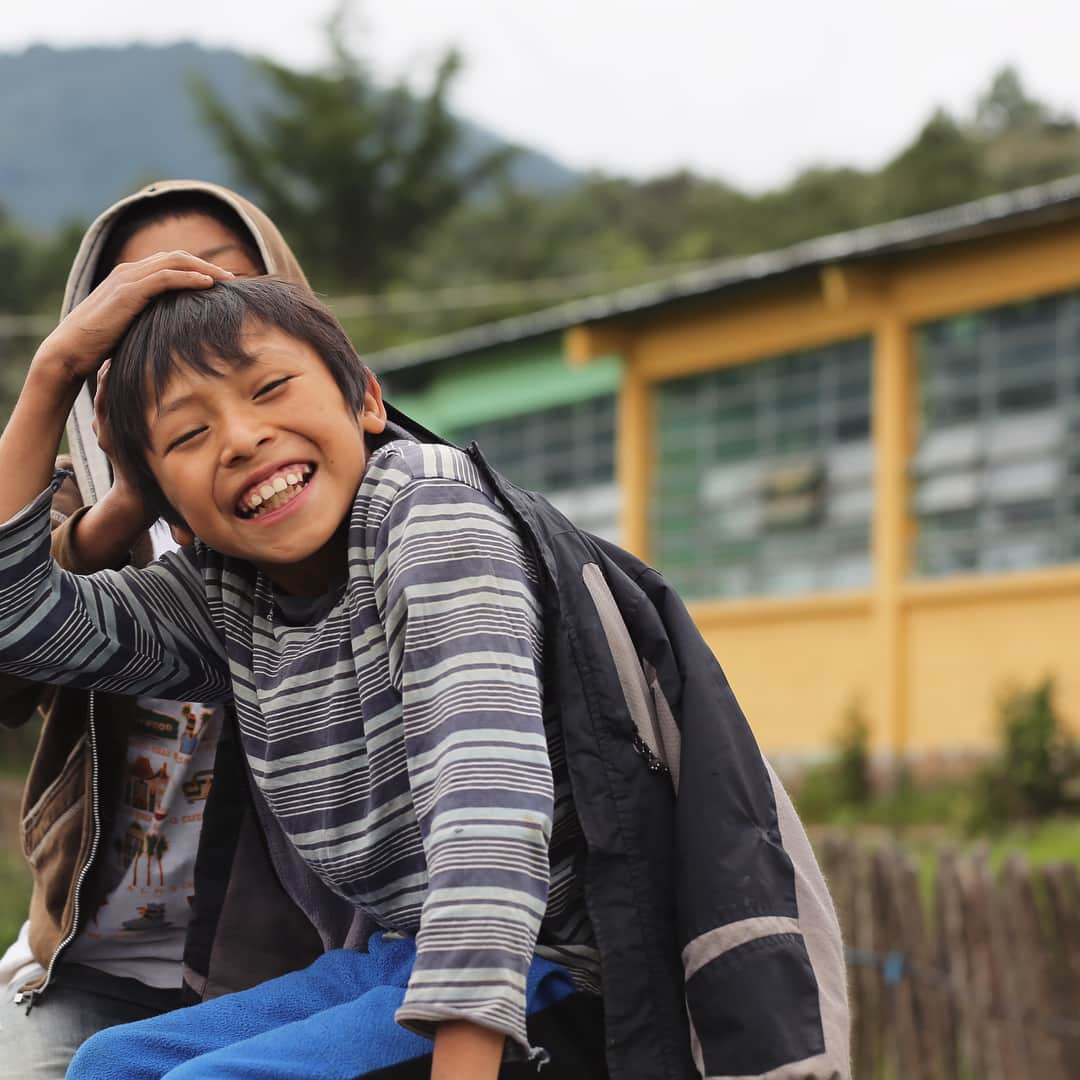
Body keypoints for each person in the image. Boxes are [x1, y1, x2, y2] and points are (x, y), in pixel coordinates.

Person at [0, 274, 849, 1078]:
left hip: (544, 967)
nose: (242, 437)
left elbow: (488, 810)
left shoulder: (428, 513)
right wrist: (55, 372)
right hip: (397, 959)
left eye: (269, 390)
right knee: (110, 1064)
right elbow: (18, 619)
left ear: (365, 399)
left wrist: (465, 1059)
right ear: (170, 512)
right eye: (188, 435)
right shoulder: (223, 597)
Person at [0, 181, 323, 1080]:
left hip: (274, 975)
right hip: (89, 967)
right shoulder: (62, 501)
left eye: (221, 283)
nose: (184, 315)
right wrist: (121, 500)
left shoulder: (322, 494)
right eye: (141, 297)